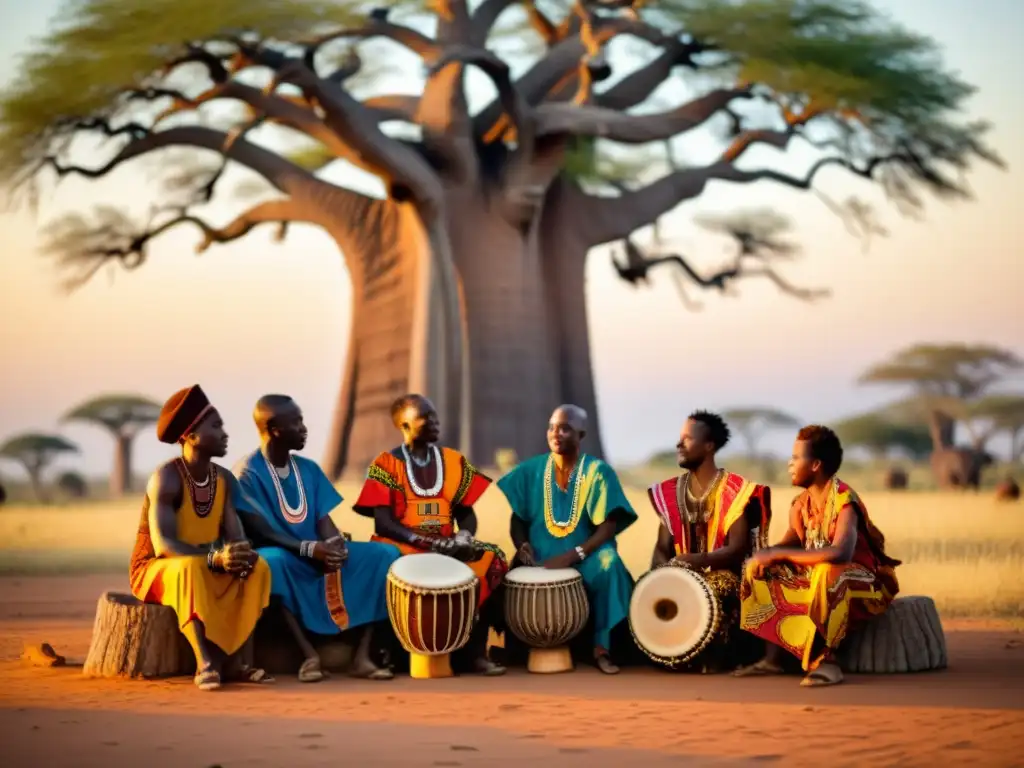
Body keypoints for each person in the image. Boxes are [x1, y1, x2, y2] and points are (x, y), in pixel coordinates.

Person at [234, 395, 400, 683]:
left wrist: (335, 544)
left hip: (318, 552)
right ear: (274, 429)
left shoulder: (307, 468)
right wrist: (310, 549)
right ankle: (308, 655)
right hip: (285, 555)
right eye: (296, 422)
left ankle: (363, 655)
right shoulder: (248, 472)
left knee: (383, 555)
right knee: (271, 562)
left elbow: (323, 520)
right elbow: (262, 531)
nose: (304, 428)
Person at [352, 394, 508, 676]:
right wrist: (428, 542)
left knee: (491, 560)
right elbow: (383, 524)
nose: (436, 422)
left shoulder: (453, 460)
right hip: (403, 546)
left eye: (436, 416)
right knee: (381, 565)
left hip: (448, 545)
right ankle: (381, 652)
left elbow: (466, 514)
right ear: (405, 424)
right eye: (427, 417)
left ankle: (475, 652)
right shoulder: (386, 464)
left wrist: (465, 537)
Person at [129, 385, 272, 692]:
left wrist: (240, 553)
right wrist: (214, 558)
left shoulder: (223, 479)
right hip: (158, 567)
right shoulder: (166, 477)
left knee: (257, 568)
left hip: (206, 560)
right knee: (189, 569)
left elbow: (235, 535)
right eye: (216, 426)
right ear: (191, 436)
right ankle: (204, 661)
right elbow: (165, 546)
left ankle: (236, 661)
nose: (225, 434)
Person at [734, 425, 901, 687]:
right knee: (761, 567)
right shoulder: (801, 504)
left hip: (866, 583)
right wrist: (765, 556)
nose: (790, 463)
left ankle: (828, 662)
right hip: (820, 578)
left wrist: (781, 556)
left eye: (796, 458)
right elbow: (790, 543)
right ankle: (774, 659)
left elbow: (840, 553)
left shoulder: (845, 501)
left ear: (816, 465)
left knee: (828, 572)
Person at [497, 404, 637, 675]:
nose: (556, 433)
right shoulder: (531, 471)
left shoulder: (597, 472)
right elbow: (518, 519)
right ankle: (519, 647)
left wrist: (575, 555)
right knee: (507, 572)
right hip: (542, 552)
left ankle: (601, 648)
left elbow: (607, 526)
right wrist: (521, 544)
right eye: (552, 427)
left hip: (586, 553)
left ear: (581, 434)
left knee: (610, 564)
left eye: (565, 428)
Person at [645, 410, 773, 670]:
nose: (679, 444)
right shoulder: (672, 492)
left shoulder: (734, 490)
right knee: (645, 590)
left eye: (687, 439)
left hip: (728, 577)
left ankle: (713, 657)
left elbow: (738, 550)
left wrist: (695, 561)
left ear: (709, 446)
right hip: (682, 575)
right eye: (680, 438)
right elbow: (661, 550)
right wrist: (662, 577)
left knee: (717, 586)